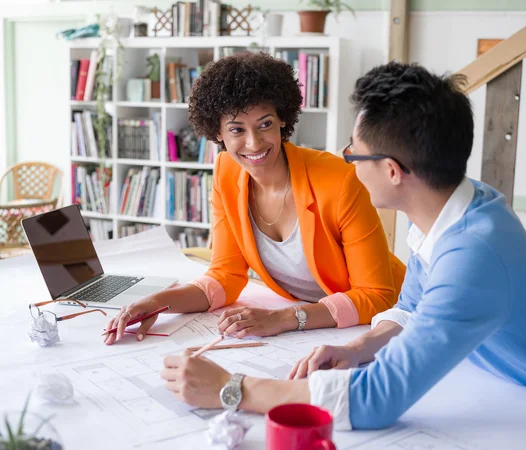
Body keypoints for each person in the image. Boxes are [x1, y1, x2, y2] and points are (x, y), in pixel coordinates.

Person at [159, 61, 526, 428]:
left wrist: (232, 388)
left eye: (355, 153)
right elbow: (410, 309)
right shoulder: (454, 206)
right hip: (509, 383)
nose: (347, 160)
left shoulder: (474, 254)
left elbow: (375, 401)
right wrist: (357, 348)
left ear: (391, 171)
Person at [104, 52, 405, 345]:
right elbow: (225, 276)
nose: (254, 143)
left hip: (392, 317)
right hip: (323, 329)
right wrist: (156, 303)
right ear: (218, 134)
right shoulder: (226, 171)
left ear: (282, 120)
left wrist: (284, 319)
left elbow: (376, 295)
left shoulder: (339, 180)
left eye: (265, 124)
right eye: (237, 129)